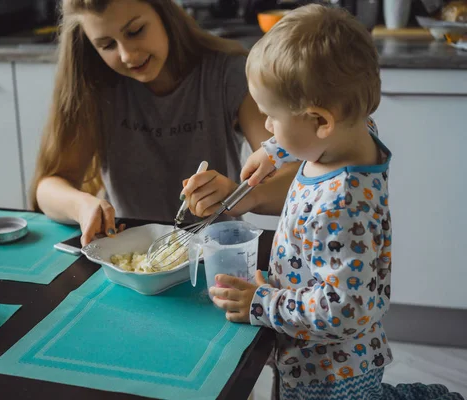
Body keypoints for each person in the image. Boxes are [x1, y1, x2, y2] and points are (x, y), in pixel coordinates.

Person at [184, 4, 463, 400]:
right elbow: (355, 120)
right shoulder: (354, 133)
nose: (265, 126)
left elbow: (342, 310)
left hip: (330, 371)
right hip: (319, 351)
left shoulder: (340, 204)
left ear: (320, 122)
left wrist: (262, 303)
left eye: (271, 118)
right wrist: (275, 149)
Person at [30, 0, 297, 246]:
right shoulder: (95, 84)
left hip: (213, 253)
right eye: (107, 45)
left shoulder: (227, 73)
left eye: (135, 31)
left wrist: (241, 197)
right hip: (126, 250)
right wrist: (82, 206)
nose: (127, 55)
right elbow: (48, 187)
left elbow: (298, 178)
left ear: (164, 13)